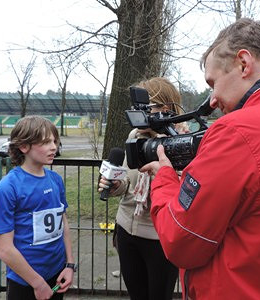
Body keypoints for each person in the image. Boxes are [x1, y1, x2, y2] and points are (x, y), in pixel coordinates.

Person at [140, 18, 260, 300]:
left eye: (213, 82)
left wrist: (164, 178)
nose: (213, 100)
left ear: (244, 63)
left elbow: (181, 239)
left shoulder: (237, 131)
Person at [98, 77, 185, 300]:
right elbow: (127, 182)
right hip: (127, 230)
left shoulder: (183, 142)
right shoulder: (134, 136)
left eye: (145, 107)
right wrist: (116, 184)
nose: (136, 112)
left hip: (160, 239)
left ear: (165, 109)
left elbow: (185, 196)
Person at [0, 116, 75, 300]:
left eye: (54, 141)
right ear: (23, 146)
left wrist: (69, 265)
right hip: (25, 281)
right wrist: (37, 283)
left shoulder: (56, 180)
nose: (54, 147)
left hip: (57, 273)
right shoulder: (7, 188)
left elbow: (63, 223)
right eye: (45, 142)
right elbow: (4, 249)